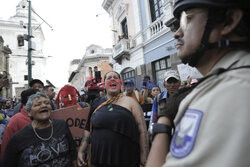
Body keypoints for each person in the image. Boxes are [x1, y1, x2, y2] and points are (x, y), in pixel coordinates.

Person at [148, 0, 250, 166]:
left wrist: (164, 121)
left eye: (187, 19)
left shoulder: (229, 92)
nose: (177, 33)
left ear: (229, 21)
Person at [77, 71, 149, 167]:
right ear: (104, 84)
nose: (112, 79)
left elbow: (143, 131)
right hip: (100, 158)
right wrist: (81, 151)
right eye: (109, 77)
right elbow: (88, 129)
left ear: (120, 83)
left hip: (126, 158)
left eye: (115, 77)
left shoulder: (131, 102)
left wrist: (144, 157)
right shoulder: (96, 103)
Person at [3, 92, 77, 166]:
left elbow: (73, 152)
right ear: (29, 112)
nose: (44, 105)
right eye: (38, 104)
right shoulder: (18, 138)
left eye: (47, 103)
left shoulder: (61, 125)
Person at [1, 88, 39, 160]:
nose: (43, 104)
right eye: (38, 100)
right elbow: (6, 148)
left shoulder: (46, 117)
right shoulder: (15, 121)